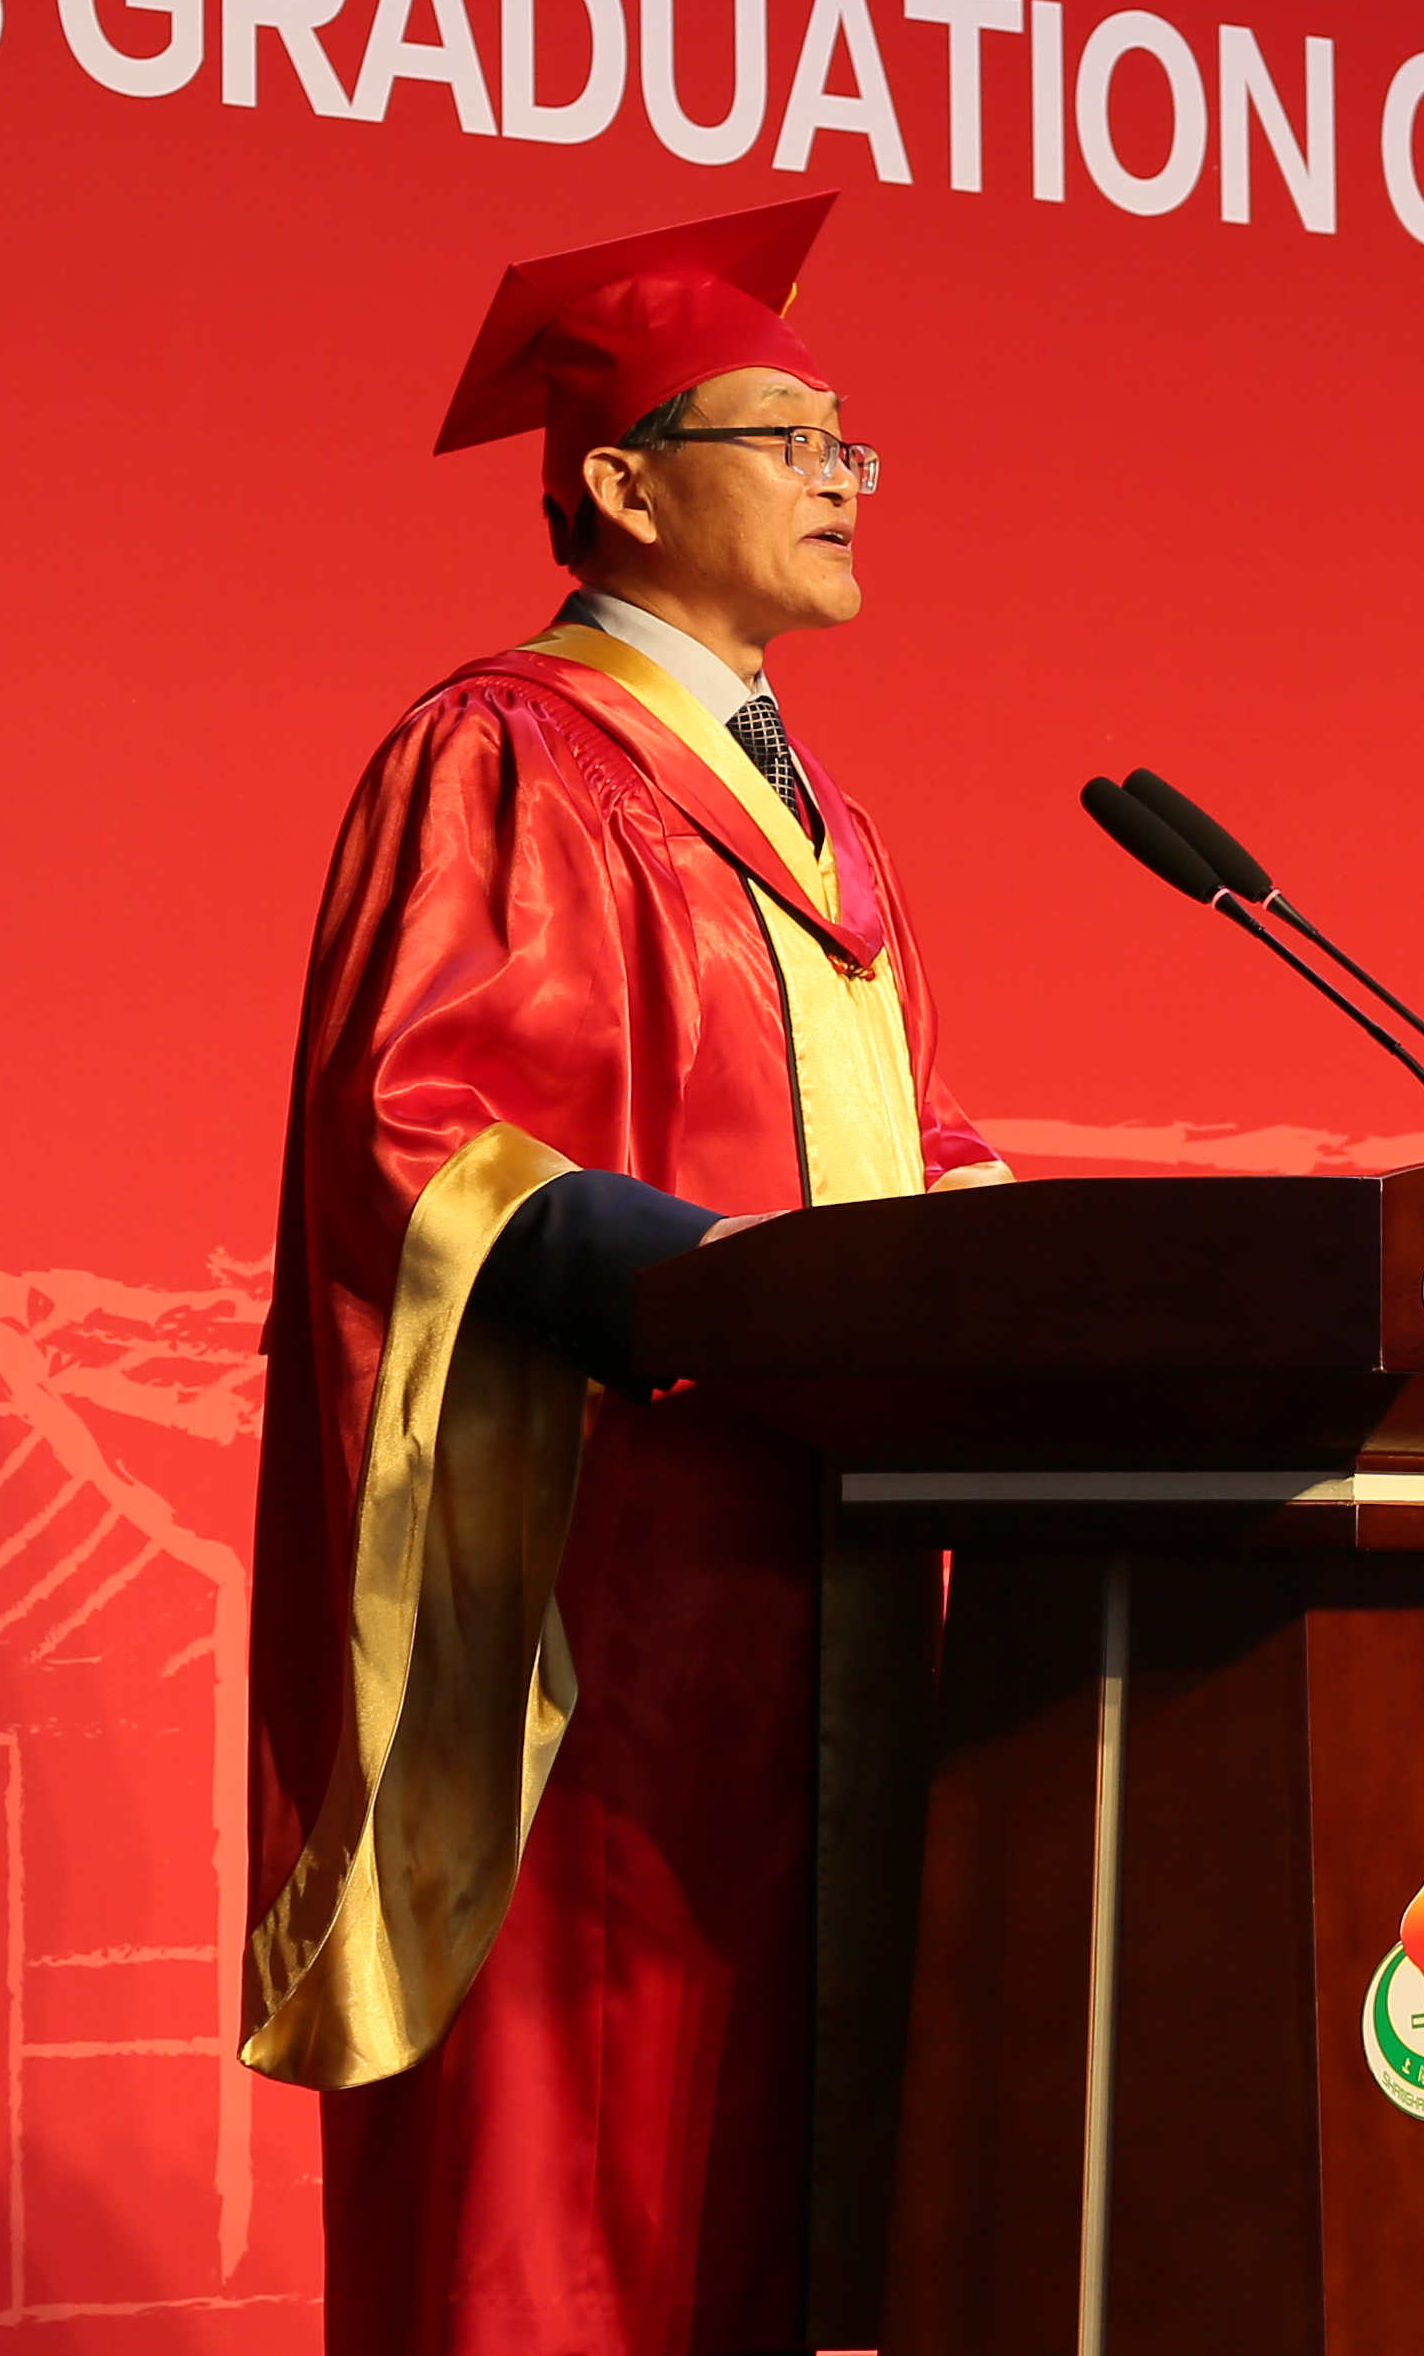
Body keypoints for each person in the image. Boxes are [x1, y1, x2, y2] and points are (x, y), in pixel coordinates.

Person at [243, 195, 1005, 2356]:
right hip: (607, 1607)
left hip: (825, 1589)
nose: (844, 481)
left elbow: (913, 1145)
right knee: (578, 2189)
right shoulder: (501, 756)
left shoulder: (824, 826)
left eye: (851, 446)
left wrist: (1011, 1252)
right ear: (621, 480)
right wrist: (723, 1284)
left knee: (784, 2175)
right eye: (792, 441)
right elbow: (417, 1137)